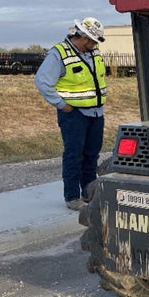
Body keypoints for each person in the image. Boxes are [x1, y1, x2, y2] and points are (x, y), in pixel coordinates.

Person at [35, 17, 108, 210]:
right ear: (84, 37)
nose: (95, 45)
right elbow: (42, 81)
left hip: (96, 113)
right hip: (74, 115)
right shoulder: (59, 54)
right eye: (93, 41)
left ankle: (89, 192)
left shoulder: (92, 52)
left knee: (92, 155)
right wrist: (60, 104)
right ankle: (72, 197)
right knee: (74, 155)